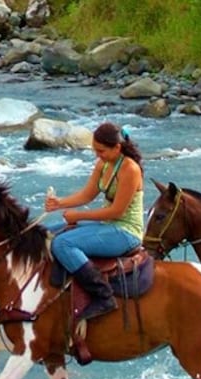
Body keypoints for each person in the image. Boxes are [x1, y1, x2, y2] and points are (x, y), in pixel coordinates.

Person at [45, 122, 144, 320]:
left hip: (126, 231)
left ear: (117, 147)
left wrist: (78, 215)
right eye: (95, 150)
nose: (98, 155)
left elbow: (117, 211)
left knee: (62, 243)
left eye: (101, 151)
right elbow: (87, 194)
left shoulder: (130, 169)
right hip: (108, 226)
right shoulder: (103, 163)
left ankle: (103, 295)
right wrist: (60, 203)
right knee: (45, 233)